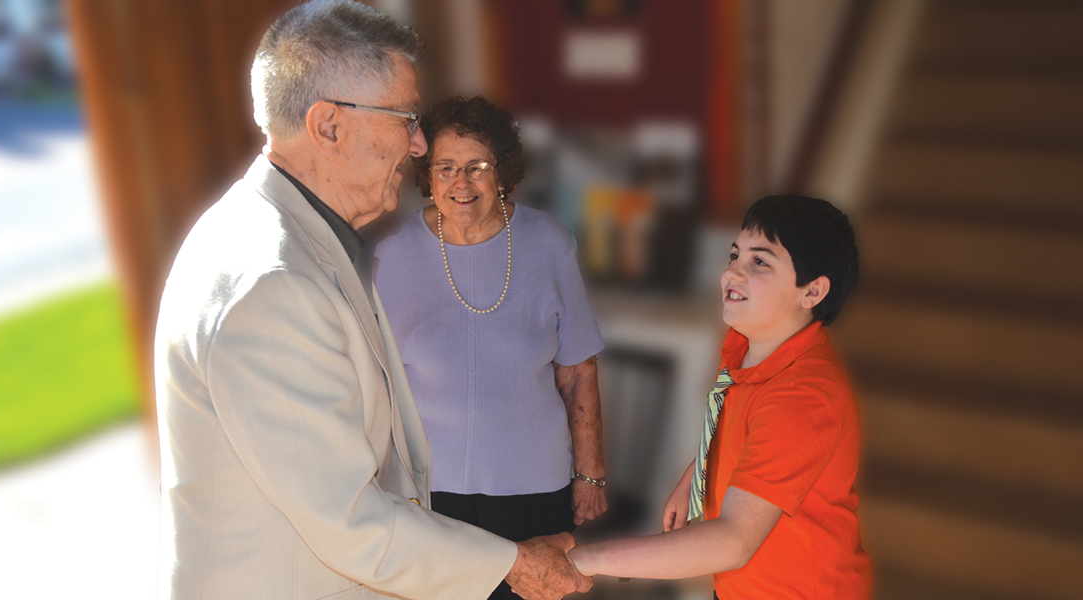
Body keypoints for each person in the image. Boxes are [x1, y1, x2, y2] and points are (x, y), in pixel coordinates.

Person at [153, 3, 591, 599]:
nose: (417, 146)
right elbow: (350, 523)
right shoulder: (273, 284)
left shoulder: (295, 238)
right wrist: (514, 564)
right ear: (328, 125)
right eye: (405, 119)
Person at [568, 195, 871, 599]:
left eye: (759, 262)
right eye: (735, 255)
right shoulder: (748, 347)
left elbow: (734, 540)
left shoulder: (803, 396)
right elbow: (748, 435)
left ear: (812, 292)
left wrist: (585, 560)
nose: (731, 273)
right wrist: (699, 470)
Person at [373, 95, 608, 600]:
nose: (461, 183)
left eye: (477, 166)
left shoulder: (547, 243)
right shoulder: (391, 259)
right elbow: (376, 382)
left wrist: (590, 474)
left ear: (502, 173)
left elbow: (578, 370)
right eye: (447, 167)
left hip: (534, 482)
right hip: (430, 490)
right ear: (427, 175)